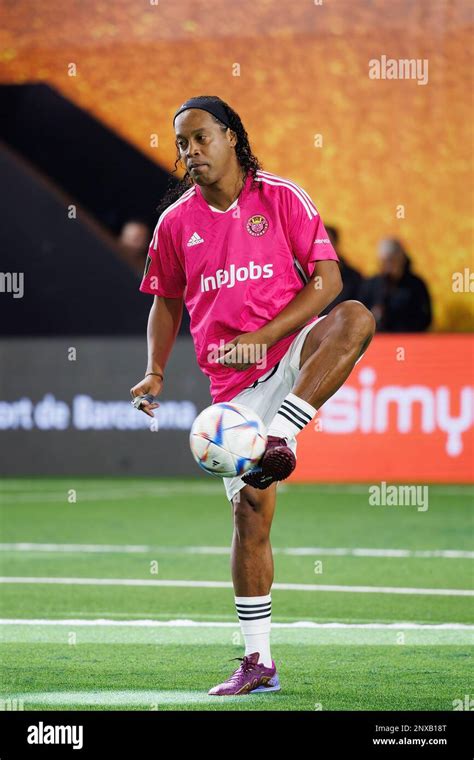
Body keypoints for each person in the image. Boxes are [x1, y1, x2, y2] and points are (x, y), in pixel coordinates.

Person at [130, 96, 375, 696]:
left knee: (355, 317)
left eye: (200, 137)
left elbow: (330, 280)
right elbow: (165, 302)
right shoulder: (175, 224)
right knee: (251, 517)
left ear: (233, 137)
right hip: (234, 391)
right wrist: (155, 371)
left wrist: (266, 334)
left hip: (293, 348)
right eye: (181, 143)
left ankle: (283, 436)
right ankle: (258, 661)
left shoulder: (282, 197)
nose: (189, 151)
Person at [359, 238, 432, 331]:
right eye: (384, 262)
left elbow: (426, 317)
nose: (388, 266)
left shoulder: (416, 285)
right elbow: (360, 313)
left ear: (401, 260)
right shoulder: (370, 285)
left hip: (408, 338)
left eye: (391, 261)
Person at [319, 226, 363, 316]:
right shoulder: (305, 275)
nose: (323, 249)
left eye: (327, 244)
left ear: (336, 244)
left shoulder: (353, 277)